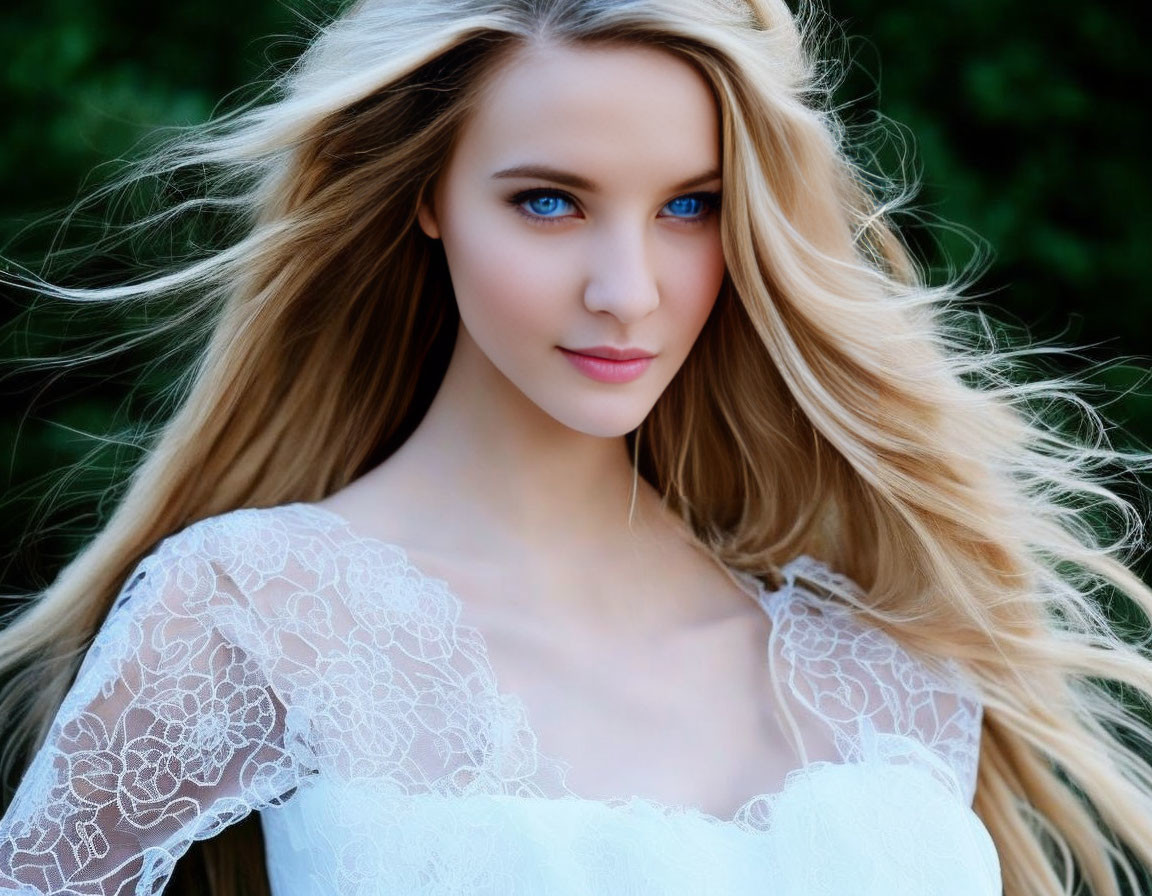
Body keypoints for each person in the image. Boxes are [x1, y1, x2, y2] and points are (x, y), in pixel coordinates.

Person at [1, 0, 1150, 893]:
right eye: (550, 201)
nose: (627, 292)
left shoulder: (886, 670)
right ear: (429, 194)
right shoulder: (251, 611)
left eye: (690, 206)